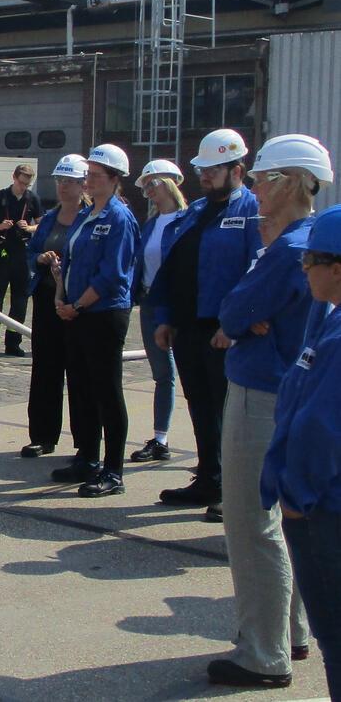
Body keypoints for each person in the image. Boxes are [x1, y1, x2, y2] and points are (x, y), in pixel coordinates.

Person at [208, 136, 331, 689]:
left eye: (261, 178)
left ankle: (263, 651)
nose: (253, 187)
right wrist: (244, 318)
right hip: (286, 386)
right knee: (279, 520)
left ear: (289, 181)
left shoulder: (286, 249)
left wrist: (241, 320)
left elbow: (235, 309)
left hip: (262, 390)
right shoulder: (306, 239)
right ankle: (292, 632)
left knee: (250, 522)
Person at [148, 128, 260, 515]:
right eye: (203, 170)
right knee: (200, 405)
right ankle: (209, 478)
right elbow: (171, 271)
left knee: (228, 411)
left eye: (215, 170)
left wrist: (237, 325)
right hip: (189, 329)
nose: (206, 176)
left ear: (237, 171)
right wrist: (165, 318)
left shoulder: (250, 212)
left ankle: (234, 487)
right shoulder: (194, 214)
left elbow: (255, 275)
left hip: (226, 332)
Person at [262, 203, 341, 700]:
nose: (303, 266)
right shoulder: (328, 322)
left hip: (321, 512)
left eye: (310, 259)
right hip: (316, 505)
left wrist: (295, 495)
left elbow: (321, 428)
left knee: (334, 632)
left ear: (337, 268)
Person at [51, 144, 139, 497]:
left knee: (107, 392)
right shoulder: (89, 215)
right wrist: (61, 295)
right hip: (77, 313)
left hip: (102, 315)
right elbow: (72, 261)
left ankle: (113, 470)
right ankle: (87, 457)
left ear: (115, 180)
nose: (88, 179)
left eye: (96, 175)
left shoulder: (119, 218)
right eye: (88, 173)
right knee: (82, 390)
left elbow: (112, 276)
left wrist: (78, 306)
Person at [18, 153, 88, 458]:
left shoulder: (92, 218)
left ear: (83, 184)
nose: (63, 187)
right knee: (45, 368)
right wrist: (40, 259)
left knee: (79, 372)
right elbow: (31, 252)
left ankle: (84, 441)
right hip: (47, 300)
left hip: (78, 304)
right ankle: (43, 436)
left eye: (69, 181)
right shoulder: (48, 219)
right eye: (60, 181)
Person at [129, 159, 187, 463]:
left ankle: (211, 442)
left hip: (180, 305)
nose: (148, 191)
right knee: (163, 373)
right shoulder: (150, 225)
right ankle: (160, 438)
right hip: (151, 304)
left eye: (152, 184)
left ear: (170, 183)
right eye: (146, 186)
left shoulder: (188, 221)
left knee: (194, 375)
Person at [0, 164, 43, 357]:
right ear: (14, 177)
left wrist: (29, 228)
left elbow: (41, 225)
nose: (23, 187)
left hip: (22, 253)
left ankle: (14, 343)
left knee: (20, 299)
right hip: (2, 253)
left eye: (27, 184)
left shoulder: (33, 199)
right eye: (21, 183)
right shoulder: (0, 196)